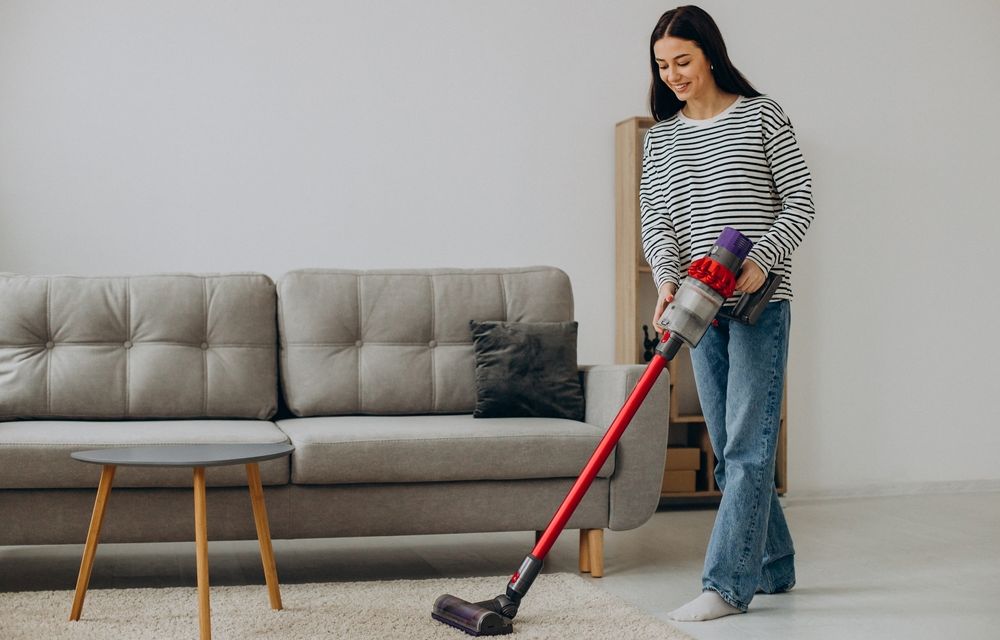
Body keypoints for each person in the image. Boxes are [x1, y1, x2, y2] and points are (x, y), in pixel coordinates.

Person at [639, 5, 815, 622]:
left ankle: (726, 586)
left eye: (682, 61)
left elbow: (800, 201)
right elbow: (657, 222)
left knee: (746, 445)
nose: (674, 75)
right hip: (698, 304)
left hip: (760, 305)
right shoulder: (661, 137)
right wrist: (665, 279)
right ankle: (775, 565)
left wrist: (764, 259)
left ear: (710, 53)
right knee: (733, 448)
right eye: (663, 66)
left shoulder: (762, 114)